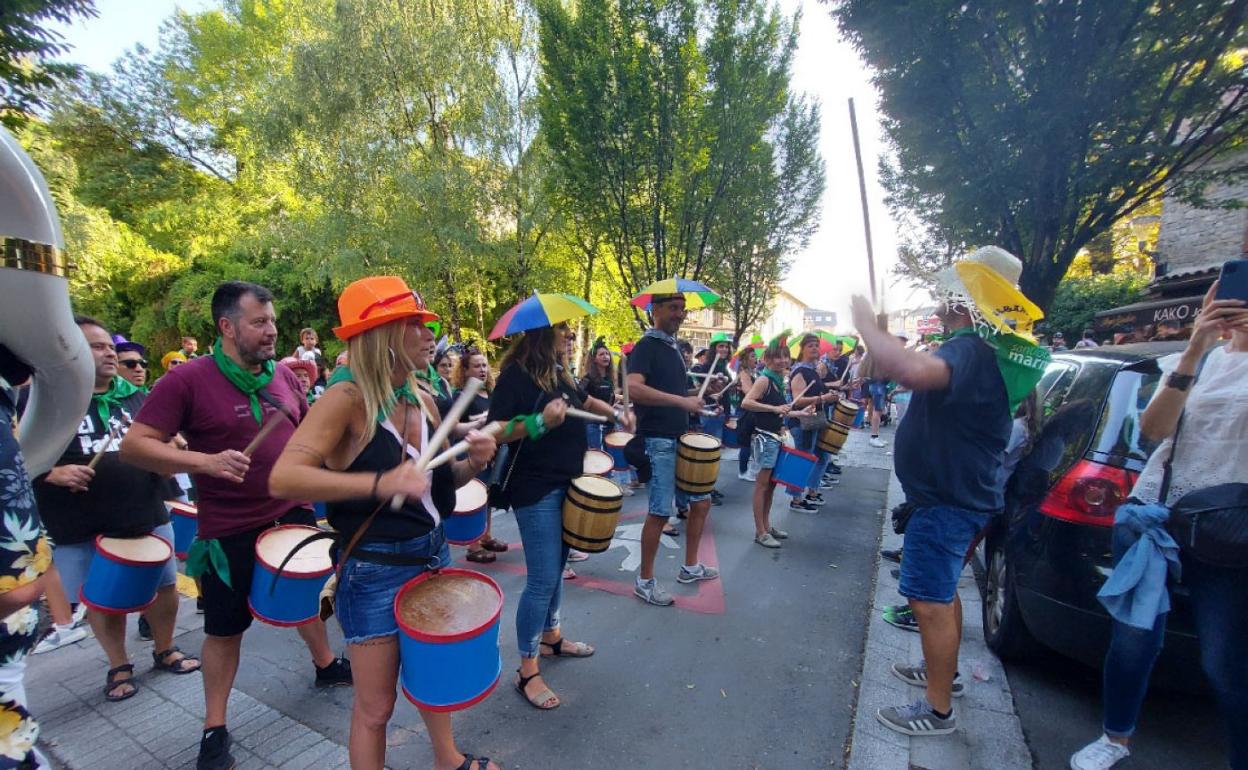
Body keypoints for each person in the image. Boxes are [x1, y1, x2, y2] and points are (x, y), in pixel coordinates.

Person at [267, 276, 498, 770]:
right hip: (374, 571)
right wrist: (379, 484)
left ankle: (448, 760)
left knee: (431, 681)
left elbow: (436, 489)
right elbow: (285, 477)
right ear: (384, 334)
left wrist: (476, 462)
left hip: (431, 554)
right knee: (376, 709)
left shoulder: (421, 396)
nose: (427, 334)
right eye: (414, 324)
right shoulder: (346, 399)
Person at [120, 281, 351, 770]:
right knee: (225, 630)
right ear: (226, 327)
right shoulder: (187, 380)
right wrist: (203, 462)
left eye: (271, 321)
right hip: (228, 529)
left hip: (292, 514)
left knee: (302, 596)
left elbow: (315, 436)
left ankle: (326, 664)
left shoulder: (284, 378)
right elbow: (136, 445)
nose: (271, 331)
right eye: (258, 322)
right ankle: (215, 726)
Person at [1069, 281, 1248, 770]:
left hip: (1232, 529)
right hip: (1159, 517)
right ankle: (1115, 737)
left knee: (1225, 663)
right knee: (1133, 638)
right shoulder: (1200, 361)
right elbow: (1151, 432)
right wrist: (1194, 348)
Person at [852, 247, 1025, 738]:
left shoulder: (970, 348)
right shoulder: (980, 348)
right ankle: (941, 675)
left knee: (928, 601)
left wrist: (866, 325)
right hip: (955, 498)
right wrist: (878, 339)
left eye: (949, 291)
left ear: (966, 299)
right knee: (942, 594)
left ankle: (938, 708)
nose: (938, 300)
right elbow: (882, 371)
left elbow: (913, 373)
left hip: (947, 502)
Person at [35, 317, 201, 702]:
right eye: (96, 347)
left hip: (142, 508)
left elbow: (161, 442)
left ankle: (164, 648)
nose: (109, 352)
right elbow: (18, 455)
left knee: (164, 585)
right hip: (79, 517)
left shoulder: (135, 396)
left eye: (110, 346)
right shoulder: (48, 399)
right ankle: (118, 663)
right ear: (70, 351)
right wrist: (52, 473)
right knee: (99, 594)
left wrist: (174, 447)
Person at [487, 321, 630, 710]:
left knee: (560, 564)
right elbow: (495, 429)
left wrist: (615, 414)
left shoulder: (559, 373)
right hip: (535, 488)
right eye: (562, 331)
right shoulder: (515, 376)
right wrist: (539, 422)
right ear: (540, 334)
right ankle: (527, 670)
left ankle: (552, 637)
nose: (569, 337)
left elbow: (585, 403)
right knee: (542, 578)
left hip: (566, 480)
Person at [626, 293, 721, 607]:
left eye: (682, 309)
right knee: (658, 512)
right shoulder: (647, 347)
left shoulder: (670, 348)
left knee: (702, 502)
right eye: (673, 308)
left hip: (678, 437)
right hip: (658, 440)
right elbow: (635, 388)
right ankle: (645, 581)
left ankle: (690, 567)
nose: (679, 315)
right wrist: (683, 401)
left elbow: (676, 392)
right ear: (656, 311)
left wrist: (703, 389)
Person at [741, 341, 799, 547]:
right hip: (765, 439)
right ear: (767, 359)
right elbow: (746, 402)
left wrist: (800, 412)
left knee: (771, 486)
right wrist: (774, 409)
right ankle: (760, 532)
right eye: (777, 356)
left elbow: (780, 409)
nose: (782, 360)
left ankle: (767, 525)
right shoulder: (764, 380)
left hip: (776, 437)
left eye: (785, 356)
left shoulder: (778, 380)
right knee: (762, 485)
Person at [454, 344, 506, 563]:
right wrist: (480, 421)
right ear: (465, 370)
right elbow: (456, 425)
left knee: (489, 495)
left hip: (491, 450)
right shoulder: (461, 395)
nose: (483, 369)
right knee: (476, 497)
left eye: (484, 365)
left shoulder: (491, 392)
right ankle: (473, 545)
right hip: (470, 453)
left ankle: (485, 535)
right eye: (477, 366)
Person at [785, 334, 838, 512]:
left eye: (816, 345)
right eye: (810, 346)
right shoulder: (800, 371)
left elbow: (821, 391)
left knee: (822, 456)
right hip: (801, 421)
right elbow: (798, 400)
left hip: (813, 421)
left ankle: (812, 492)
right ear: (802, 349)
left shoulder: (813, 369)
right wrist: (823, 397)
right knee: (802, 457)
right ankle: (796, 499)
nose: (815, 348)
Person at [578, 338, 616, 451]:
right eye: (601, 354)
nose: (606, 356)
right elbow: (579, 398)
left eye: (607, 354)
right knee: (597, 459)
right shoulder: (587, 379)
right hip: (593, 425)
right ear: (594, 359)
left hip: (609, 424)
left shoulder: (609, 380)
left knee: (609, 457)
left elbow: (610, 399)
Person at [734, 345, 759, 481]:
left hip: (750, 411)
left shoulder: (751, 373)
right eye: (753, 356)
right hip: (745, 412)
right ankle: (743, 471)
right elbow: (748, 392)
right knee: (746, 443)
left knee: (751, 442)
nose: (756, 359)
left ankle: (748, 470)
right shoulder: (744, 374)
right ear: (746, 359)